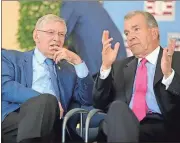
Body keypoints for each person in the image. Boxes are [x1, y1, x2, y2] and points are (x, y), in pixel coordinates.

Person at [2, 14, 93, 143]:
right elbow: (5, 87)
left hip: (54, 124)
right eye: (51, 32)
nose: (56, 39)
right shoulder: (10, 58)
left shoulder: (69, 71)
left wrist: (78, 62)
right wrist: (47, 101)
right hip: (15, 118)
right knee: (47, 101)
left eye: (61, 34)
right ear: (36, 36)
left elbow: (87, 99)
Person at [93, 11, 180, 142]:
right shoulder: (119, 67)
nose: (130, 37)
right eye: (127, 33)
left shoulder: (176, 60)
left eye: (136, 29)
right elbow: (99, 102)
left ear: (153, 33)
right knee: (117, 108)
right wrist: (105, 67)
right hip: (123, 125)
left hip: (162, 128)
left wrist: (169, 75)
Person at [60, 1, 127, 77]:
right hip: (118, 54)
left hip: (99, 59)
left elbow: (60, 32)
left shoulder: (70, 3)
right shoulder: (92, 2)